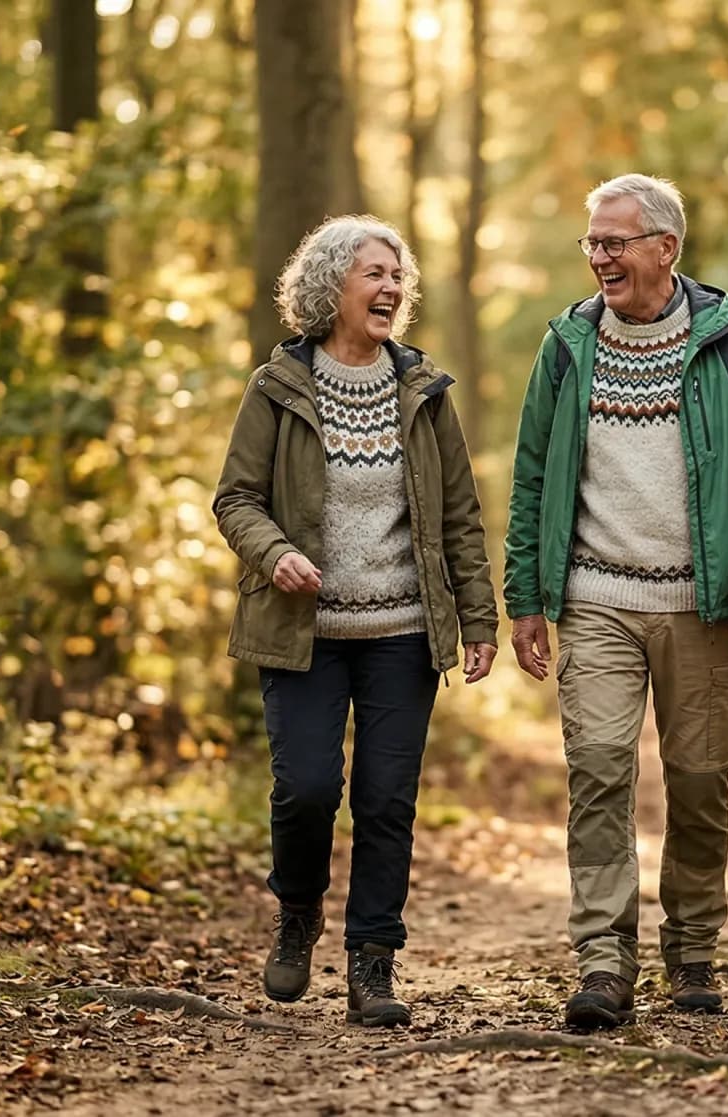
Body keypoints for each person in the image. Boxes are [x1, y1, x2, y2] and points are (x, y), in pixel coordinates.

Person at [504, 174, 728, 1029]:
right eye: (592, 243)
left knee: (700, 779)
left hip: (700, 601)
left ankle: (695, 949)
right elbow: (532, 478)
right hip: (595, 596)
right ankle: (604, 961)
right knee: (597, 767)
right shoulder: (566, 347)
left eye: (615, 241)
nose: (599, 256)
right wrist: (526, 595)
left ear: (665, 248)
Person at [213, 215, 498, 1028]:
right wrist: (273, 554)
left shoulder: (424, 390)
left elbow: (459, 518)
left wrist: (478, 620)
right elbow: (235, 497)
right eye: (373, 272)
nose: (390, 287)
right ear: (330, 284)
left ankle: (373, 962)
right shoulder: (278, 387)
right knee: (305, 790)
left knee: (386, 801)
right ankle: (298, 910)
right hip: (302, 633)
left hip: (403, 634)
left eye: (397, 275)